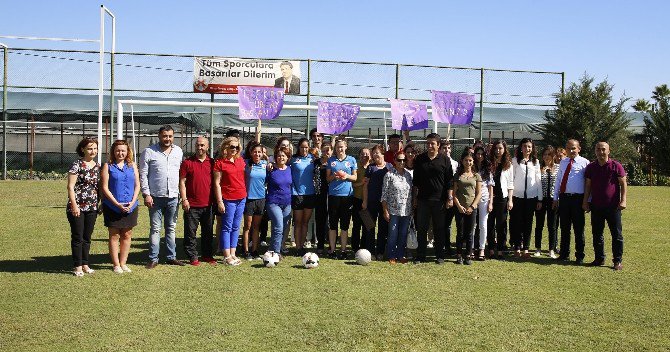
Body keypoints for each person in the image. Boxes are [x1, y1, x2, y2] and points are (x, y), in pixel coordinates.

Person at [140, 125, 184, 269]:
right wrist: (146, 194)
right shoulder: (149, 152)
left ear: (173, 137)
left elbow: (181, 175)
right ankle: (153, 258)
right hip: (155, 198)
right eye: (165, 136)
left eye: (170, 136)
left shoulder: (178, 151)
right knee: (155, 228)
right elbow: (143, 175)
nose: (167, 139)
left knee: (171, 228)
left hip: (173, 197)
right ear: (159, 136)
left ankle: (171, 257)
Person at [583, 142, 627, 271]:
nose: (601, 152)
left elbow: (623, 183)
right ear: (595, 151)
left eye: (603, 149)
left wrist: (623, 200)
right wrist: (585, 201)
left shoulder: (616, 166)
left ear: (609, 151)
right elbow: (588, 186)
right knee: (597, 234)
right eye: (598, 149)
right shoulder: (591, 167)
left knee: (616, 235)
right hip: (596, 206)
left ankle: (617, 261)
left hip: (613, 207)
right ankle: (599, 258)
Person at [412, 133, 454, 264]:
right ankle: (420, 255)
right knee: (422, 228)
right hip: (423, 200)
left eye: (432, 143)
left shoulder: (445, 160)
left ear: (438, 145)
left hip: (439, 201)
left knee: (439, 229)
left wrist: (450, 198)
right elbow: (416, 182)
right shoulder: (420, 159)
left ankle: (440, 255)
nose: (429, 146)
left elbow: (449, 182)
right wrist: (414, 198)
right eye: (428, 143)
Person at [101, 140, 140, 274]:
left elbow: (137, 185)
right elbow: (105, 187)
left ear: (127, 151)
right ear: (113, 151)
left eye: (123, 150)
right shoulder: (108, 166)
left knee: (127, 234)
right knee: (114, 235)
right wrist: (116, 204)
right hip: (112, 207)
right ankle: (116, 264)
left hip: (131, 206)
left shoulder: (132, 165)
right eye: (118, 150)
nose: (120, 153)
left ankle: (123, 263)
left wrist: (133, 201)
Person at [66, 137, 100, 276]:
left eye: (95, 148)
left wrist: (101, 203)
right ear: (83, 149)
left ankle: (85, 264)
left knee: (87, 237)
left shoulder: (98, 166)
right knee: (78, 237)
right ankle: (77, 266)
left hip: (92, 207)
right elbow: (70, 187)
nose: (93, 151)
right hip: (78, 206)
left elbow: (99, 187)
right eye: (90, 148)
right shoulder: (77, 165)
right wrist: (74, 205)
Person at [178, 136, 215, 266]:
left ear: (207, 147)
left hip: (208, 205)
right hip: (192, 205)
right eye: (198, 145)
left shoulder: (212, 163)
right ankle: (192, 256)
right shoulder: (187, 163)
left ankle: (207, 255)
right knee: (190, 233)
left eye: (202, 145)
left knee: (208, 232)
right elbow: (182, 182)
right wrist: (184, 199)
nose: (200, 147)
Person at [553, 139, 589, 264]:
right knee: (564, 227)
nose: (571, 150)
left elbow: (588, 184)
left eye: (573, 148)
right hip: (564, 198)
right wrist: (555, 197)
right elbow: (558, 180)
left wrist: (587, 201)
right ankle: (564, 254)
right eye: (568, 148)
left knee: (578, 229)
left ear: (579, 148)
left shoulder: (585, 163)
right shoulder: (563, 162)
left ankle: (579, 256)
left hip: (578, 199)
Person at [214, 136, 247, 266]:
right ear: (225, 147)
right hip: (228, 199)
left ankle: (233, 253)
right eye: (232, 146)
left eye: (237, 147)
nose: (234, 149)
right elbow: (217, 184)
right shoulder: (220, 163)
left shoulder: (241, 161)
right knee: (226, 227)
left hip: (241, 198)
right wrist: (220, 201)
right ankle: (226, 255)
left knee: (236, 227)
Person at [509, 138, 543, 258]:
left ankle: (526, 249)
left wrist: (540, 199)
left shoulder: (536, 162)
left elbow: (538, 181)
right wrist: (510, 197)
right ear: (521, 148)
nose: (527, 149)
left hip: (531, 197)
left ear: (532, 148)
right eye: (524, 146)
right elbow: (511, 179)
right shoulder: (514, 161)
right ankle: (517, 247)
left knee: (528, 223)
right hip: (517, 197)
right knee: (517, 223)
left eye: (529, 146)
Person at [326, 138, 358, 259]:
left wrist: (346, 176)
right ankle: (333, 250)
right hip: (333, 196)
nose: (340, 149)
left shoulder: (351, 160)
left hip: (347, 197)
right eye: (338, 147)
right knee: (333, 224)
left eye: (342, 147)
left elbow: (355, 178)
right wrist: (334, 176)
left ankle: (343, 250)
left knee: (344, 225)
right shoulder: (331, 160)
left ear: (346, 147)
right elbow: (327, 179)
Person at [381, 151, 413, 264]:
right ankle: (391, 255)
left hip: (406, 211)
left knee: (403, 234)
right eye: (399, 160)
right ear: (394, 161)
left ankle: (400, 255)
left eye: (404, 160)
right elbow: (384, 195)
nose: (402, 162)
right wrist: (385, 210)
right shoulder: (389, 175)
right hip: (393, 210)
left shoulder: (409, 175)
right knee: (392, 234)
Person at [452, 149, 482, 265]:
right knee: (460, 232)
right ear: (462, 161)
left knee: (470, 233)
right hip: (459, 208)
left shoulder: (476, 176)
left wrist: (473, 207)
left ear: (473, 162)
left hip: (471, 208)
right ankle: (459, 255)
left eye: (470, 160)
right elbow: (454, 193)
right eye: (466, 160)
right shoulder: (458, 175)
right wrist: (459, 206)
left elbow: (479, 193)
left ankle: (468, 255)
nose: (468, 162)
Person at [362, 144, 392, 260]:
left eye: (377, 153)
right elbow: (365, 186)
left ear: (383, 153)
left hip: (385, 203)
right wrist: (365, 201)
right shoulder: (370, 167)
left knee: (383, 228)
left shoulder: (389, 166)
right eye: (373, 153)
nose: (375, 155)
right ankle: (370, 252)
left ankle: (380, 252)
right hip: (371, 202)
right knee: (369, 227)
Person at [488, 140, 514, 260]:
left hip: (502, 198)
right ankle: (491, 249)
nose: (498, 151)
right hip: (489, 198)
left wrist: (510, 200)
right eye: (496, 148)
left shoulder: (508, 164)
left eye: (500, 148)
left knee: (501, 225)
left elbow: (510, 184)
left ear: (504, 150)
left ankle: (501, 249)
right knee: (490, 224)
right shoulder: (489, 163)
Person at [290, 138, 317, 256]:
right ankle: (298, 247)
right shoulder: (293, 160)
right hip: (297, 195)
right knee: (298, 222)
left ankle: (303, 246)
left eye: (306, 147)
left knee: (305, 222)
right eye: (302, 147)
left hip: (310, 194)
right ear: (298, 148)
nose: (304, 149)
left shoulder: (313, 159)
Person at [242, 143, 267, 260]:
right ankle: (246, 251)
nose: (257, 154)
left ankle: (255, 250)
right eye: (255, 152)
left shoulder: (265, 164)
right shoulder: (246, 164)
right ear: (251, 153)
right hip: (249, 199)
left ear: (263, 154)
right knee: (248, 226)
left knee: (257, 227)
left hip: (261, 199)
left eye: (259, 152)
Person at [534, 145, 560, 258]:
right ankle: (538, 248)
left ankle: (551, 249)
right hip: (541, 199)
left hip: (553, 200)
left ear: (553, 155)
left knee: (552, 225)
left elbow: (559, 185)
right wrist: (539, 199)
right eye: (544, 154)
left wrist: (556, 199)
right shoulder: (538, 168)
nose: (546, 156)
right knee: (539, 224)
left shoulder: (558, 168)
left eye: (549, 154)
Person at [266, 146, 293, 255]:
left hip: (287, 203)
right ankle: (276, 253)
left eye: (283, 155)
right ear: (275, 157)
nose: (281, 157)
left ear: (287, 158)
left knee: (282, 227)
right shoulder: (271, 169)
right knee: (279, 226)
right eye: (279, 155)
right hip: (273, 202)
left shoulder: (289, 169)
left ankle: (272, 249)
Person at [473, 145, 494, 260]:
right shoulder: (472, 166)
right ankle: (471, 249)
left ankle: (481, 249)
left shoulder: (488, 168)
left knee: (483, 224)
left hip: (484, 199)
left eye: (482, 154)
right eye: (478, 154)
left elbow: (491, 186)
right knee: (472, 225)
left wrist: (491, 202)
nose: (480, 156)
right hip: (472, 198)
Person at [439, 140, 459, 254]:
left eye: (448, 148)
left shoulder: (455, 163)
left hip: (452, 197)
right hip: (439, 197)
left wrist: (451, 197)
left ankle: (447, 246)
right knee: (439, 224)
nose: (447, 150)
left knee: (447, 224)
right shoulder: (438, 161)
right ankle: (439, 245)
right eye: (444, 148)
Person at [313, 144, 333, 255]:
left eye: (328, 150)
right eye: (324, 150)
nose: (326, 152)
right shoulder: (316, 163)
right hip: (319, 194)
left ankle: (331, 244)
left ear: (331, 151)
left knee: (331, 221)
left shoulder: (334, 162)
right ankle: (320, 244)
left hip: (332, 194)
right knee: (320, 220)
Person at [351, 148, 371, 252]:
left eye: (367, 154)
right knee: (356, 224)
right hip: (357, 199)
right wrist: (362, 183)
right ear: (359, 155)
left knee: (367, 225)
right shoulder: (356, 166)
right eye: (362, 154)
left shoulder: (372, 166)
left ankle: (364, 246)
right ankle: (355, 247)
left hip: (368, 200)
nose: (365, 156)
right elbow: (352, 184)